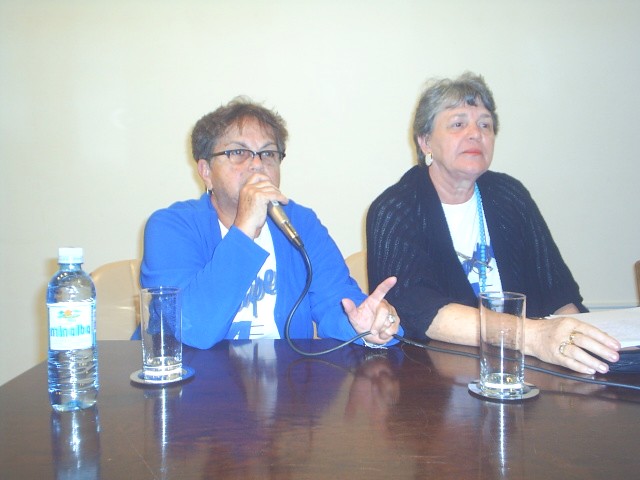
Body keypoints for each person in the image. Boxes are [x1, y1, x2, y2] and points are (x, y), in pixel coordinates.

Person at [366, 72, 621, 375]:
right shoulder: (394, 209)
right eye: (458, 124)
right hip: (437, 383)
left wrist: (589, 353)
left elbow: (560, 294)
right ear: (425, 142)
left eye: (485, 124)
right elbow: (418, 309)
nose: (475, 133)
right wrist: (534, 337)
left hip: (529, 374)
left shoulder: (510, 195)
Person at [140, 97, 400, 350]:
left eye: (268, 153)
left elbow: (338, 303)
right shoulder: (170, 227)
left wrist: (366, 326)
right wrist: (245, 228)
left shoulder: (300, 223)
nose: (257, 164)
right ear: (206, 171)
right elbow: (191, 328)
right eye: (238, 152)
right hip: (191, 376)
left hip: (283, 376)